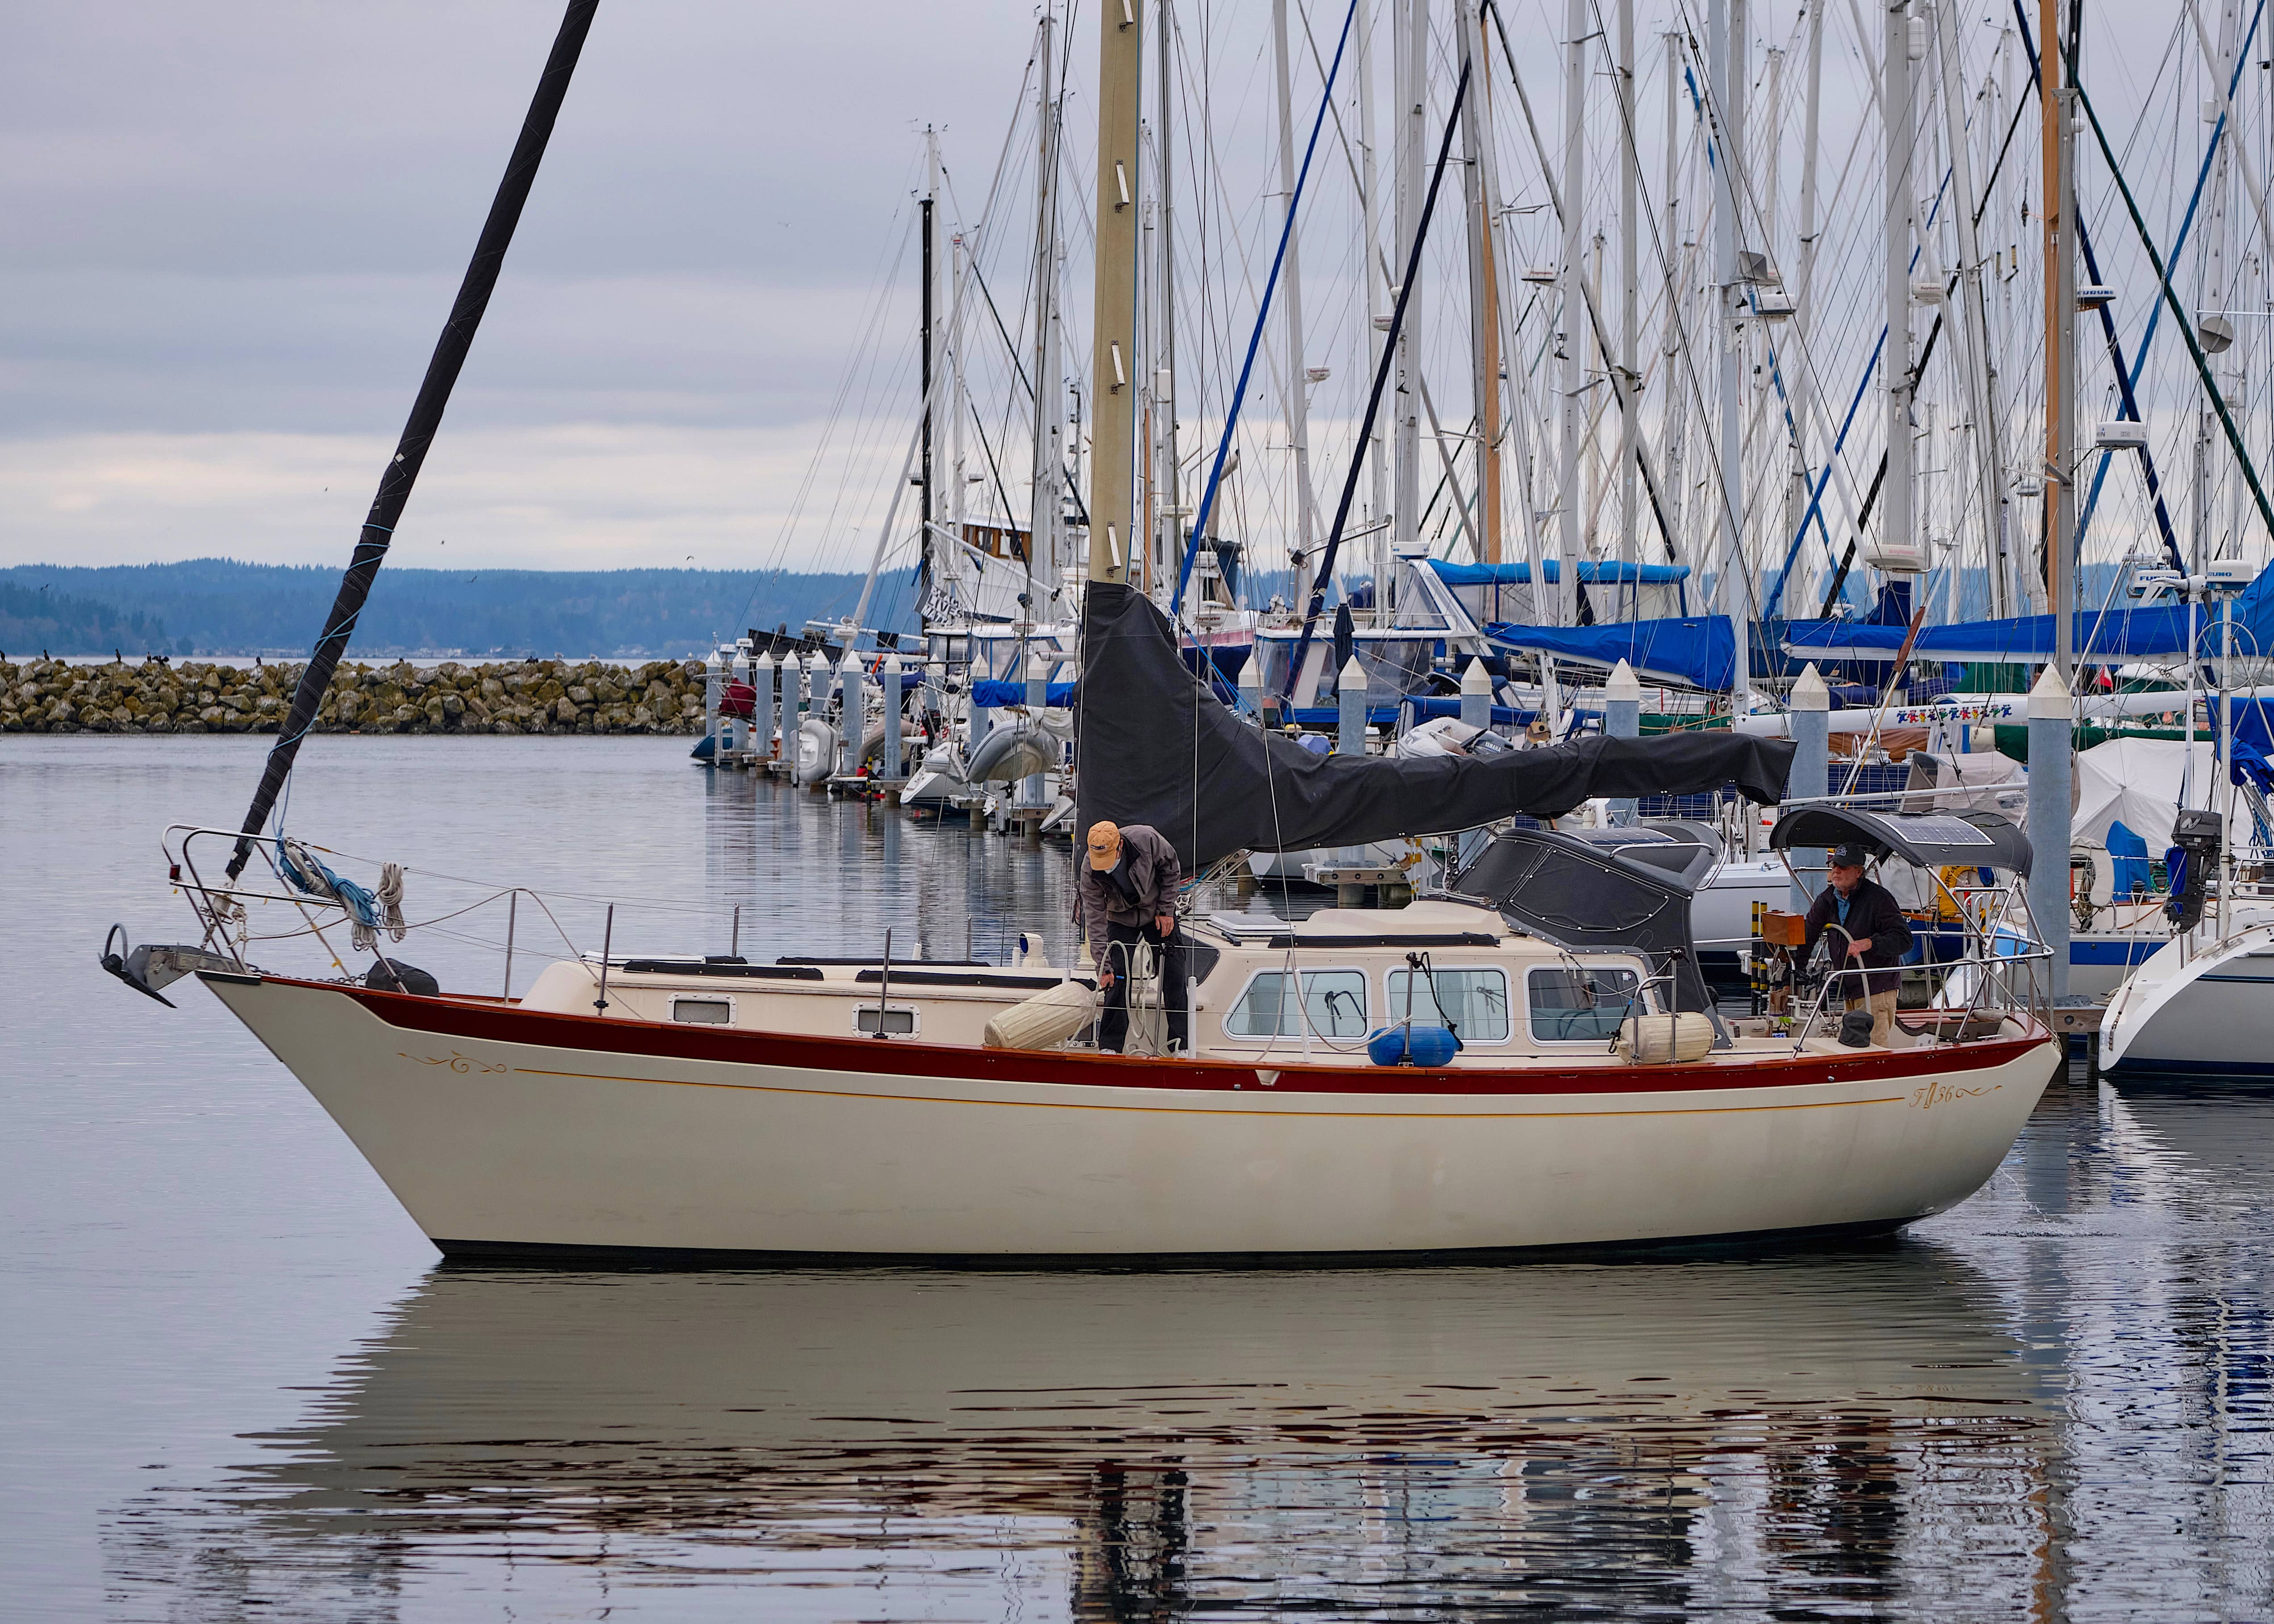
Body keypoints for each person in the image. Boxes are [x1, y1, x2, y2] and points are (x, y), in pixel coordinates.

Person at [1077, 820, 1190, 1054]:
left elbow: (1172, 870)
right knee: (1117, 977)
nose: (1104, 866)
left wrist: (1166, 911)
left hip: (1156, 911)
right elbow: (1095, 919)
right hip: (1119, 918)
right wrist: (1103, 965)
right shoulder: (1089, 869)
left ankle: (1182, 1043)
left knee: (1174, 973)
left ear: (1119, 847)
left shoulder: (1147, 839)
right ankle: (1110, 1046)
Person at [1800, 842, 1913, 1045]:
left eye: (1842, 868)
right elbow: (1808, 935)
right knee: (1851, 1046)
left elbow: (1904, 939)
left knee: (1873, 1047)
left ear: (1859, 872)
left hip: (1877, 988)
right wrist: (1796, 970)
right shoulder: (1827, 900)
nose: (1836, 871)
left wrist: (1871, 943)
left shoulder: (1879, 899)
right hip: (1850, 987)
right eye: (1834, 866)